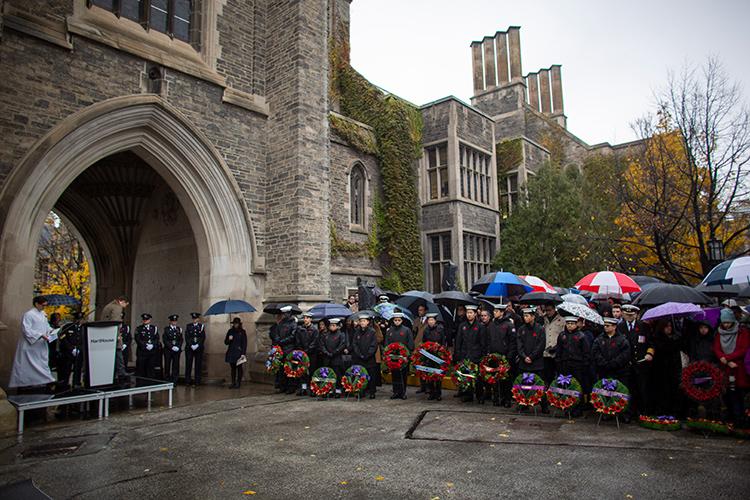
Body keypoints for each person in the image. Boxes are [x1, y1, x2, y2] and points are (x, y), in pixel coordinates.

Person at [9, 296, 55, 391]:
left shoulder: (43, 314)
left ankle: (43, 382)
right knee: (29, 365)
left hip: (40, 346)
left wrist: (52, 331)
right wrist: (40, 335)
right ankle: (27, 384)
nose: (44, 307)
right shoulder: (28, 315)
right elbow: (26, 330)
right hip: (30, 346)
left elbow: (46, 326)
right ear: (37, 304)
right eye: (43, 305)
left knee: (41, 364)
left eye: (45, 305)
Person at [713, 308, 749, 425]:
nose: (726, 325)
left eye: (728, 322)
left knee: (738, 394)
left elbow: (743, 349)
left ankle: (739, 419)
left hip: (738, 367)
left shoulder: (742, 332)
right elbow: (716, 348)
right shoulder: (719, 333)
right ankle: (729, 418)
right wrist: (724, 359)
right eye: (724, 323)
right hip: (725, 367)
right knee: (727, 394)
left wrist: (728, 358)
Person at [618, 304, 653, 418]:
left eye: (631, 315)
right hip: (626, 364)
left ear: (636, 315)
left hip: (641, 363)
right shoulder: (619, 327)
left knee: (642, 388)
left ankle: (642, 412)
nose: (629, 316)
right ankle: (628, 413)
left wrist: (649, 353)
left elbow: (651, 343)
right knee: (628, 389)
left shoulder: (644, 326)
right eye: (627, 314)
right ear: (623, 314)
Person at [556, 316, 591, 417]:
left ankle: (578, 408)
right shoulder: (562, 335)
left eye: (572, 323)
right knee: (566, 386)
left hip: (577, 365)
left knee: (578, 387)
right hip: (565, 364)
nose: (570, 325)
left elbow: (586, 353)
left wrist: (584, 365)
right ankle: (567, 406)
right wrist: (558, 363)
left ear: (576, 324)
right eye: (568, 323)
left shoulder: (581, 336)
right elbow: (559, 351)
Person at [650, 319, 685, 418]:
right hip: (660, 370)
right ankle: (661, 410)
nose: (669, 328)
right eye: (666, 326)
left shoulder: (676, 338)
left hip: (673, 369)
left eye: (670, 326)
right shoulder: (657, 339)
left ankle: (673, 411)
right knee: (662, 391)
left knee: (673, 390)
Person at [592, 317, 631, 404]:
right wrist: (604, 363)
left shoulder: (622, 340)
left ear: (614, 327)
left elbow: (625, 355)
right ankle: (606, 411)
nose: (605, 327)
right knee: (604, 393)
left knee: (619, 393)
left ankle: (621, 412)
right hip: (604, 371)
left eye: (608, 326)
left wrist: (614, 363)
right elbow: (595, 352)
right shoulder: (599, 339)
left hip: (619, 372)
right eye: (604, 325)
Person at [454, 304, 487, 403]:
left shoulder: (480, 326)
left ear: (475, 314)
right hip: (465, 355)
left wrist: (482, 356)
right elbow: (458, 341)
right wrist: (458, 354)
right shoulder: (462, 326)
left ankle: (479, 396)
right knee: (466, 376)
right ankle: (467, 395)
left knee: (478, 378)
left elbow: (483, 343)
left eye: (471, 313)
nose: (469, 315)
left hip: (476, 356)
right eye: (467, 313)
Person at [516, 306, 546, 410]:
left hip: (536, 362)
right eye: (524, 315)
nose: (525, 318)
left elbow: (541, 345)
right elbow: (519, 345)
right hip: (524, 362)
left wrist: (532, 357)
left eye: (527, 315)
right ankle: (525, 403)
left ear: (533, 316)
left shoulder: (540, 329)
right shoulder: (521, 329)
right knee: (525, 384)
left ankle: (543, 405)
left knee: (539, 384)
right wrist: (524, 356)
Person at [385, 312, 414, 400]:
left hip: (403, 357)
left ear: (402, 321)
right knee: (395, 374)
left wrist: (407, 355)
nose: (397, 322)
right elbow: (387, 343)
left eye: (399, 320)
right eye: (395, 320)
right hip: (393, 357)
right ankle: (395, 392)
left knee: (403, 375)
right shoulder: (390, 330)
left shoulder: (406, 330)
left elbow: (410, 343)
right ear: (393, 321)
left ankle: (403, 392)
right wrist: (387, 354)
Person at [101, 295, 130, 381]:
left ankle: (117, 372)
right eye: (126, 304)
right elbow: (115, 322)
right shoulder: (117, 307)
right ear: (122, 302)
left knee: (114, 354)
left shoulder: (109, 305)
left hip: (106, 333)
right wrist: (117, 336)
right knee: (118, 351)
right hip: (112, 334)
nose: (125, 307)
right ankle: (121, 372)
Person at [351, 312, 378, 399]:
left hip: (369, 359)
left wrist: (368, 355)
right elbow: (354, 344)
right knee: (360, 375)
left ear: (368, 322)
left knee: (371, 376)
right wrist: (359, 354)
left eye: (364, 321)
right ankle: (361, 391)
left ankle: (372, 392)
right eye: (361, 321)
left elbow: (374, 345)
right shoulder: (357, 332)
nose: (362, 322)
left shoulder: (372, 332)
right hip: (359, 359)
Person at [270, 306, 297, 394]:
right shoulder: (281, 323)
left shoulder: (293, 324)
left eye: (286, 314)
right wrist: (278, 340)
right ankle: (283, 386)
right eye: (283, 314)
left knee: (289, 368)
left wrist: (282, 341)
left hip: (289, 348)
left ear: (289, 314)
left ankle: (291, 387)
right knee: (282, 369)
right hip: (281, 349)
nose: (284, 315)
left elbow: (293, 336)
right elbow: (276, 333)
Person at [318, 318, 347, 397]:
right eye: (330, 325)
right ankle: (329, 390)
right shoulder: (326, 335)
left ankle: (338, 391)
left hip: (336, 358)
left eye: (334, 325)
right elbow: (322, 345)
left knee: (337, 375)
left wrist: (334, 353)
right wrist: (326, 352)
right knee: (328, 375)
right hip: (327, 358)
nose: (332, 327)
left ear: (337, 326)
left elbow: (342, 345)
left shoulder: (341, 334)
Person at [422, 312, 446, 401]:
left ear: (435, 321)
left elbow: (443, 341)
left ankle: (438, 393)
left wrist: (441, 350)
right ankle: (431, 393)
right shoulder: (426, 330)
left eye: (432, 320)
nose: (430, 322)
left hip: (438, 355)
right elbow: (424, 342)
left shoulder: (440, 329)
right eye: (429, 320)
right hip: (429, 355)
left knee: (438, 374)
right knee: (430, 374)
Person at [57, 312, 85, 390]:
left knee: (78, 368)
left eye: (80, 319)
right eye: (77, 319)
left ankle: (76, 383)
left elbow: (84, 340)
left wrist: (80, 349)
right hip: (69, 352)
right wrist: (71, 348)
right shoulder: (68, 327)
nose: (79, 321)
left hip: (79, 351)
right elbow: (63, 337)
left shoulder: (84, 328)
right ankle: (65, 383)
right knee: (67, 367)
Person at [295, 311, 319, 396]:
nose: (305, 319)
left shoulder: (315, 330)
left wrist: (307, 350)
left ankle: (312, 389)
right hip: (302, 354)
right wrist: (301, 351)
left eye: (307, 318)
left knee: (312, 371)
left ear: (311, 319)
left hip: (311, 354)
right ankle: (304, 388)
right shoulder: (300, 329)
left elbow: (314, 342)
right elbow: (298, 341)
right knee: (303, 372)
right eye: (304, 318)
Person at [542, 303, 565, 389]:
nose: (548, 312)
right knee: (547, 375)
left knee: (558, 374)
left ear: (554, 309)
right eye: (546, 310)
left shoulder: (562, 320)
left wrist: (556, 347)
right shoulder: (543, 319)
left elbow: (563, 336)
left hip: (557, 352)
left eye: (549, 310)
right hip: (545, 351)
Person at [135, 313, 160, 379]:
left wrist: (153, 345)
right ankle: (141, 384)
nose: (145, 321)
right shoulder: (139, 328)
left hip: (151, 352)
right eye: (144, 319)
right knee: (141, 369)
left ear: (150, 320)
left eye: (147, 319)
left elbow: (157, 338)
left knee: (151, 368)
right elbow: (137, 339)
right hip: (142, 352)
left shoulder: (154, 328)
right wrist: (145, 345)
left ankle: (150, 383)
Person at [225, 317, 247, 388]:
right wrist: (229, 339)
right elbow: (226, 342)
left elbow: (244, 343)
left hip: (239, 352)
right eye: (234, 323)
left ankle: (238, 382)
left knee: (239, 368)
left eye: (237, 323)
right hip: (232, 352)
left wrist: (243, 353)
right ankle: (233, 382)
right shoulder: (230, 331)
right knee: (233, 368)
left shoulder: (242, 332)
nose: (235, 325)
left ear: (239, 324)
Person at [184, 312, 206, 386]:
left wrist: (198, 345)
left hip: (198, 348)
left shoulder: (201, 326)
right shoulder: (189, 326)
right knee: (188, 364)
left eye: (196, 318)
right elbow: (187, 337)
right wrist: (191, 345)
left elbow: (202, 337)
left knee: (198, 365)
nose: (194, 320)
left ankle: (197, 381)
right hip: (190, 348)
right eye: (193, 318)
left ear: (198, 319)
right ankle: (187, 381)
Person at [162, 314, 183, 383]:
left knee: (176, 365)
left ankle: (175, 380)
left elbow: (181, 339)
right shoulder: (166, 329)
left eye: (175, 321)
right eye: (173, 321)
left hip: (176, 350)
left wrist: (178, 347)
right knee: (167, 365)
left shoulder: (179, 329)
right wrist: (172, 347)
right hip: (168, 350)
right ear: (170, 321)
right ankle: (166, 380)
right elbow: (165, 340)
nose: (174, 322)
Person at [413, 304, 428, 393]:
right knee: (419, 367)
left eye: (422, 310)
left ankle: (427, 386)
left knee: (426, 366)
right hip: (417, 346)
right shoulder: (416, 321)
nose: (420, 312)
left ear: (425, 311)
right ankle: (422, 386)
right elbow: (413, 332)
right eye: (419, 310)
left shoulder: (428, 321)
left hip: (425, 346)